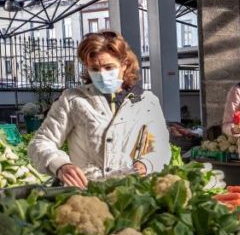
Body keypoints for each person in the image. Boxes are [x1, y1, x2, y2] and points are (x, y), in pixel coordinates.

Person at [29, 31, 171, 188]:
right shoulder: (73, 100)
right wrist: (60, 165)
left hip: (131, 192)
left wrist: (147, 163)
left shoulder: (147, 102)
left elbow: (161, 148)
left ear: (124, 64)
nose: (102, 74)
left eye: (109, 67)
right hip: (85, 192)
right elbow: (41, 142)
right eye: (95, 69)